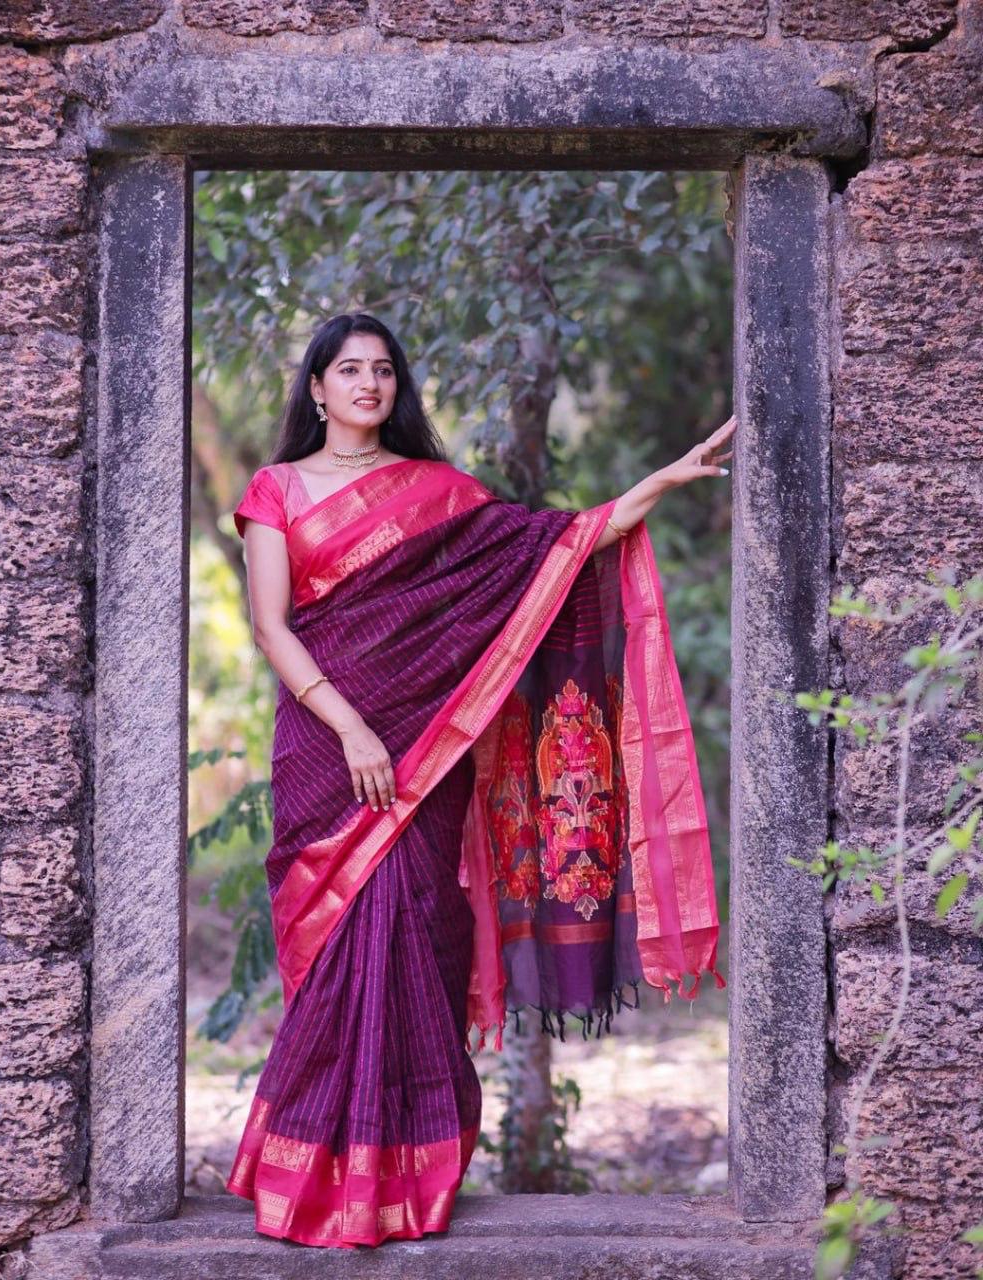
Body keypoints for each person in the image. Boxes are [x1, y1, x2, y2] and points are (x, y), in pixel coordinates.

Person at [224, 311, 735, 1248]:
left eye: (383, 370)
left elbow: (559, 550)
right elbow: (272, 628)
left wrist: (654, 487)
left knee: (419, 934)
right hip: (327, 750)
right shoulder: (276, 490)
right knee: (334, 951)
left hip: (427, 753)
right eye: (349, 370)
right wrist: (352, 732)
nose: (368, 385)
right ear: (317, 388)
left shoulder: (441, 492)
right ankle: (309, 1178)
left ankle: (407, 1179)